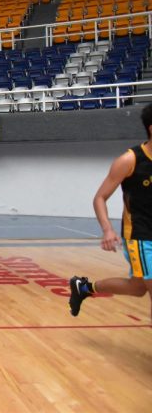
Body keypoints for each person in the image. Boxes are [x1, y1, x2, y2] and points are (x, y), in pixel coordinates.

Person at [70, 103, 152, 318]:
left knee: (137, 288)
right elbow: (100, 198)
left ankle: (84, 288)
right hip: (142, 237)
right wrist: (107, 229)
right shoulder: (130, 160)